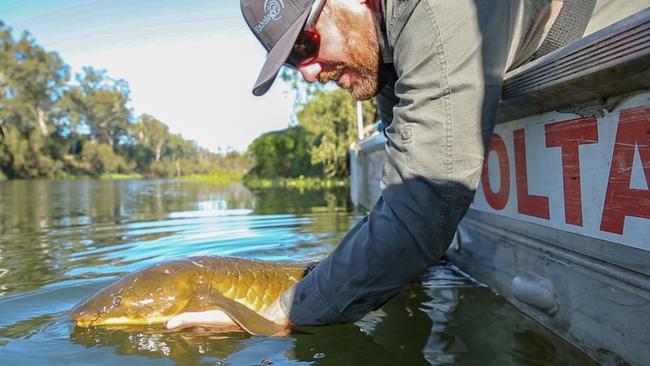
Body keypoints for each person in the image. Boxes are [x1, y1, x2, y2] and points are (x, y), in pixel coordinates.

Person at [166, 0, 644, 333]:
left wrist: (284, 311)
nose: (309, 72)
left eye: (305, 45)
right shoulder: (385, 52)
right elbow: (399, 196)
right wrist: (341, 272)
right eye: (293, 63)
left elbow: (425, 197)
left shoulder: (430, 9)